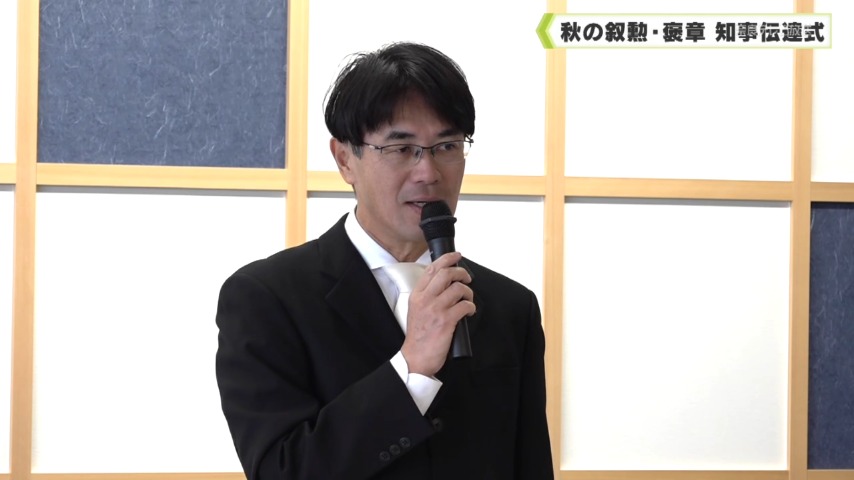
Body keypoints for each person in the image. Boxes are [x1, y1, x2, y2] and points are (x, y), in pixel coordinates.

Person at [215, 42, 553, 479]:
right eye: (401, 148)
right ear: (345, 160)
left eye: (447, 145)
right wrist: (410, 368)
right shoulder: (266, 299)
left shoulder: (510, 307)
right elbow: (281, 472)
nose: (428, 172)